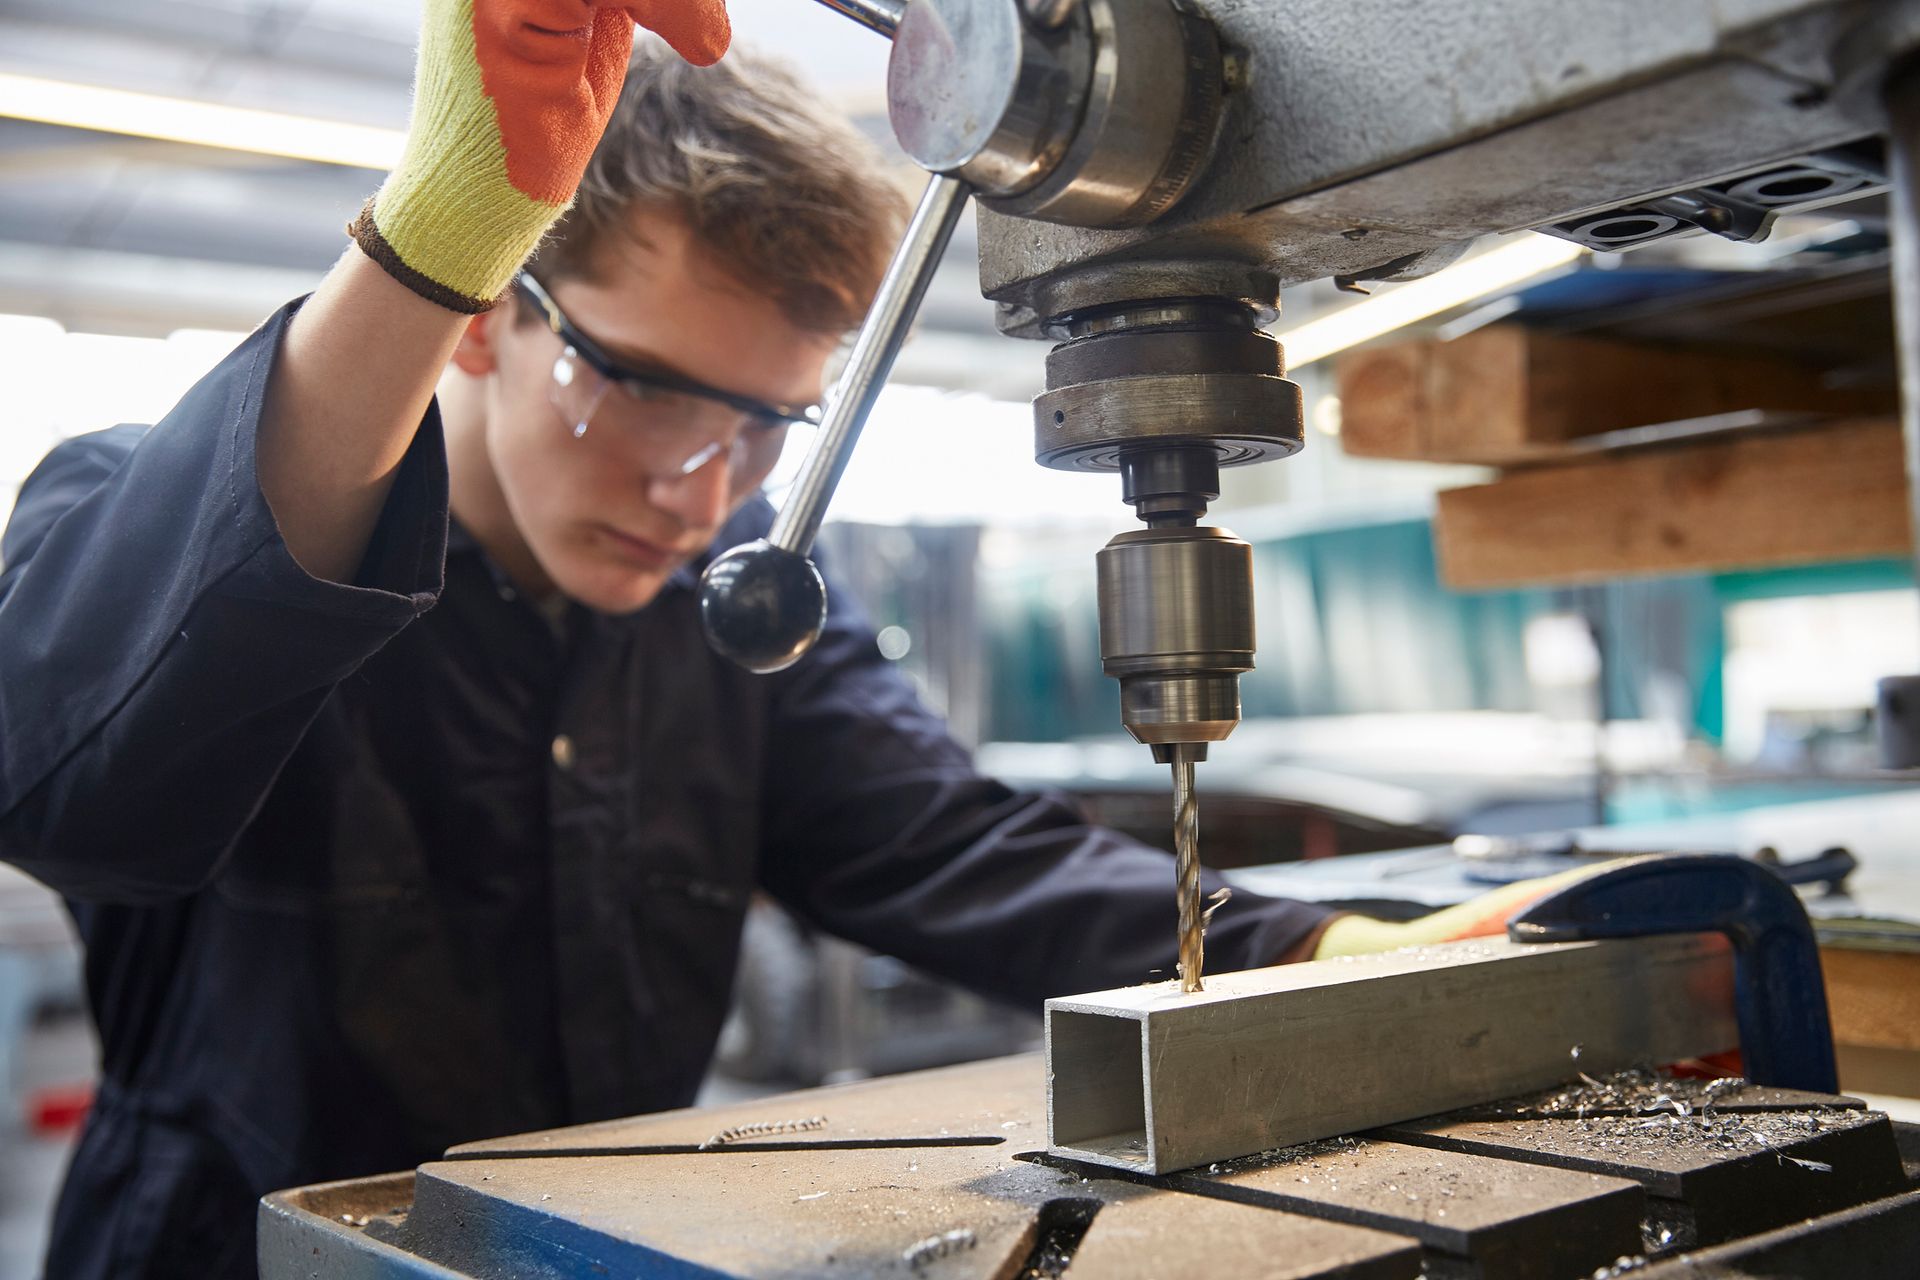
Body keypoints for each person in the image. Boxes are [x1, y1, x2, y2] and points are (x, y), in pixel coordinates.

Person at [0, 4, 1582, 1274]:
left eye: (767, 427)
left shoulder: (730, 621)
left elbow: (953, 850)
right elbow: (75, 796)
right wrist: (433, 231)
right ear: (489, 310)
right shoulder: (154, 511)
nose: (705, 489)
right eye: (642, 389)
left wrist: (1309, 952)